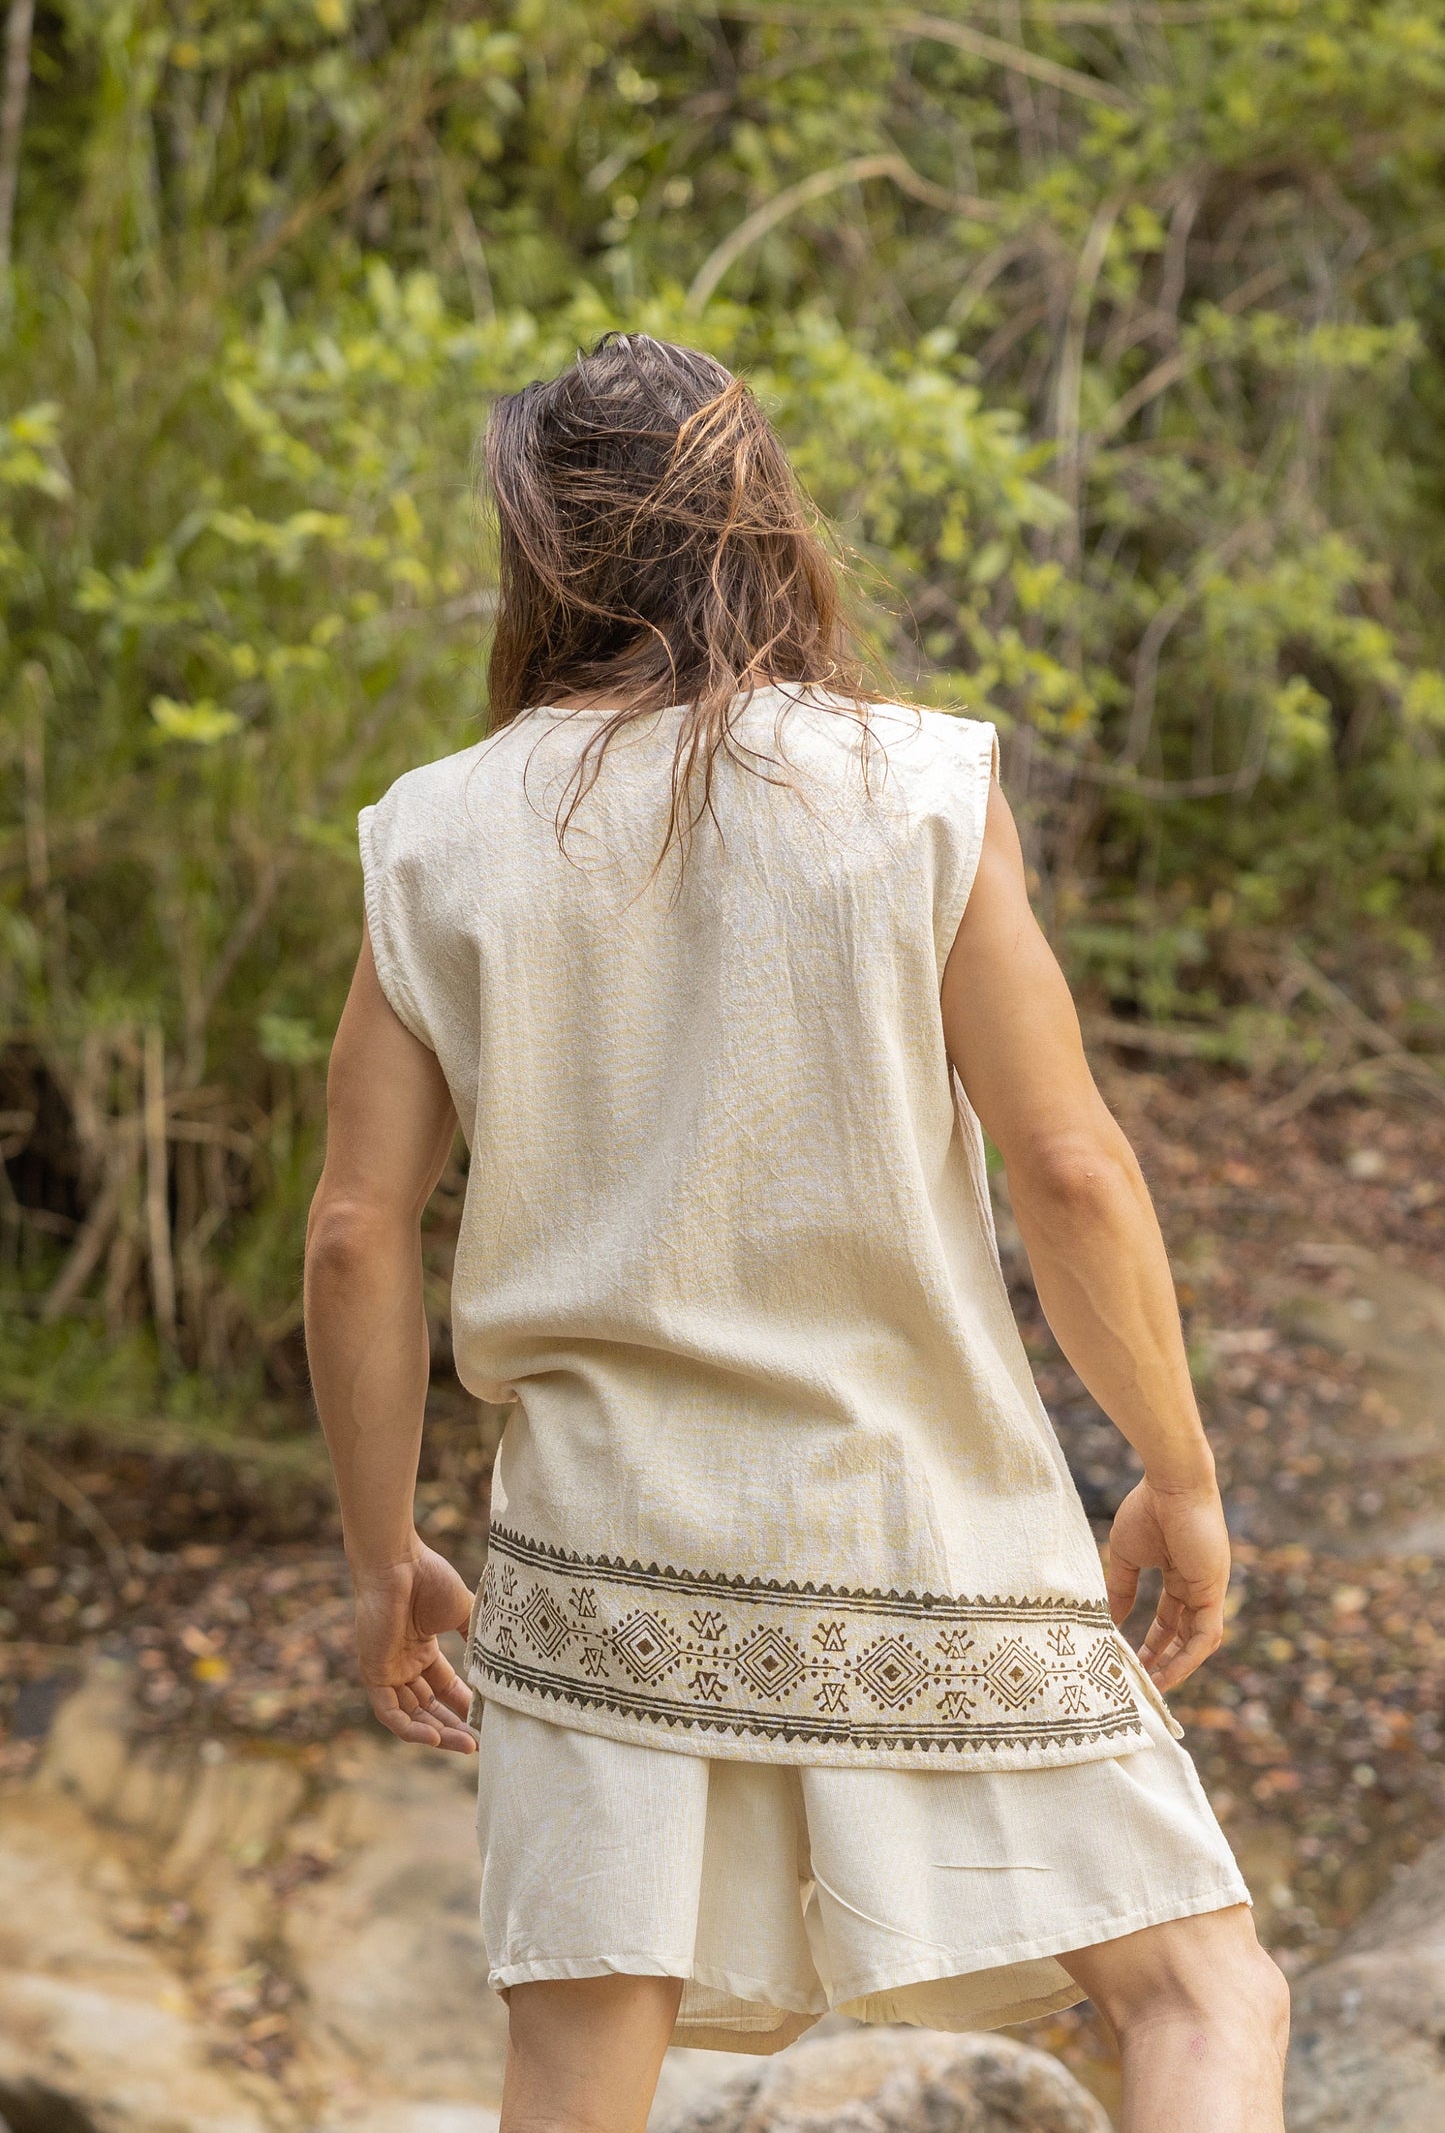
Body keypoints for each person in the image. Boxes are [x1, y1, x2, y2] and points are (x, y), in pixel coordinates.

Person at [303, 333, 1289, 2133]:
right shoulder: (909, 786)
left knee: (580, 2056)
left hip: (598, 1547)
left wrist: (387, 1556)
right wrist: (1179, 1471)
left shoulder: (434, 834)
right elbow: (1069, 1168)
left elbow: (358, 1233)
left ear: (538, 548)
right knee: (1202, 1993)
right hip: (916, 1516)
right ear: (762, 520)